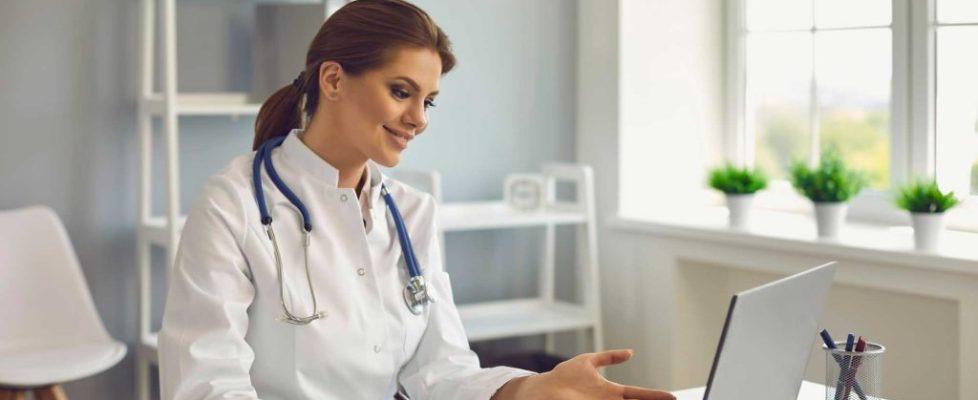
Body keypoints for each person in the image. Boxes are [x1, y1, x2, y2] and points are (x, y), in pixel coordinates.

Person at [158, 1, 675, 399]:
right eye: (401, 92)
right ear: (333, 79)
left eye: (428, 101)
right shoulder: (233, 204)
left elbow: (441, 371)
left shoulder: (411, 212)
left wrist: (530, 389)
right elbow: (206, 384)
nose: (419, 120)